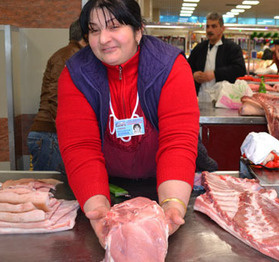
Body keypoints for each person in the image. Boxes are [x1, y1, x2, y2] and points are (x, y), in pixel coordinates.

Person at [56, 0, 199, 246]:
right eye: (94, 30)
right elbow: (81, 147)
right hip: (103, 185)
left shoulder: (169, 66)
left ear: (138, 30)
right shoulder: (76, 74)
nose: (103, 39)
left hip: (166, 183)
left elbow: (177, 141)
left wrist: (173, 204)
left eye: (113, 27)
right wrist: (98, 208)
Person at [27, 19, 86, 174]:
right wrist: (69, 133)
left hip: (48, 136)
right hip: (50, 136)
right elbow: (57, 98)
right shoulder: (69, 57)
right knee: (48, 191)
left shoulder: (69, 54)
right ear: (86, 36)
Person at [187, 12, 246, 102]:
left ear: (222, 29)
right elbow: (186, 67)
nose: (209, 30)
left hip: (224, 99)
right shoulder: (199, 48)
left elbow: (240, 69)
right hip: (200, 98)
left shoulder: (232, 48)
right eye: (207, 26)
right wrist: (193, 74)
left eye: (214, 26)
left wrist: (215, 74)